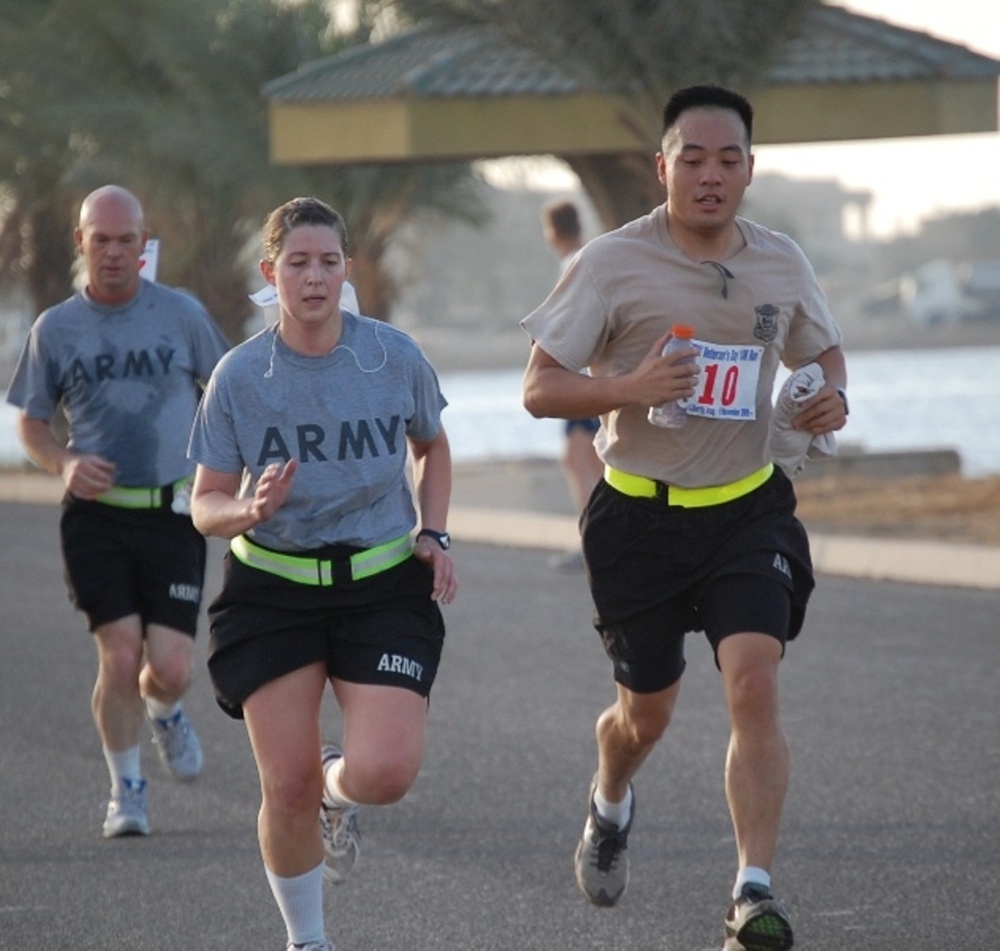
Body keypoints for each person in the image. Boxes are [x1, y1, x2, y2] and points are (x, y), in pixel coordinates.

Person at [521, 85, 848, 951]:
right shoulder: (609, 263)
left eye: (727, 158)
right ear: (663, 167)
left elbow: (824, 351)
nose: (710, 175)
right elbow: (538, 387)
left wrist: (831, 398)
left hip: (748, 511)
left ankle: (752, 891)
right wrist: (631, 387)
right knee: (646, 714)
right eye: (692, 159)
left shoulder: (782, 261)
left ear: (750, 168)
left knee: (754, 681)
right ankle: (610, 801)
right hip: (639, 518)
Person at [187, 196, 457, 951]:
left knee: (385, 771)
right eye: (298, 264)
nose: (314, 278)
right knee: (287, 786)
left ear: (347, 270)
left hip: (380, 582)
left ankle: (340, 789)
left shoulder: (391, 355)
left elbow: (432, 447)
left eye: (329, 263)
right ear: (271, 273)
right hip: (272, 588)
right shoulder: (240, 376)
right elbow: (203, 502)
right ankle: (307, 940)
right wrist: (246, 508)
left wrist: (433, 531)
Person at [5, 184, 230, 838]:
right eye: (99, 239)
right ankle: (126, 788)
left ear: (142, 245)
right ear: (82, 242)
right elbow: (32, 423)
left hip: (173, 514)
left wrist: (231, 473)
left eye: (124, 239)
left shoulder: (182, 315)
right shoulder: (57, 328)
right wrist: (65, 462)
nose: (112, 251)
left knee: (172, 667)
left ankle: (165, 710)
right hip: (96, 516)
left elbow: (228, 388)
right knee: (121, 652)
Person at [539, 199, 605, 572]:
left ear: (552, 232)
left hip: (581, 379)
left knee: (579, 458)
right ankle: (599, 537)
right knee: (589, 458)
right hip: (593, 378)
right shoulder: (592, 258)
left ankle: (593, 541)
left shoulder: (573, 265)